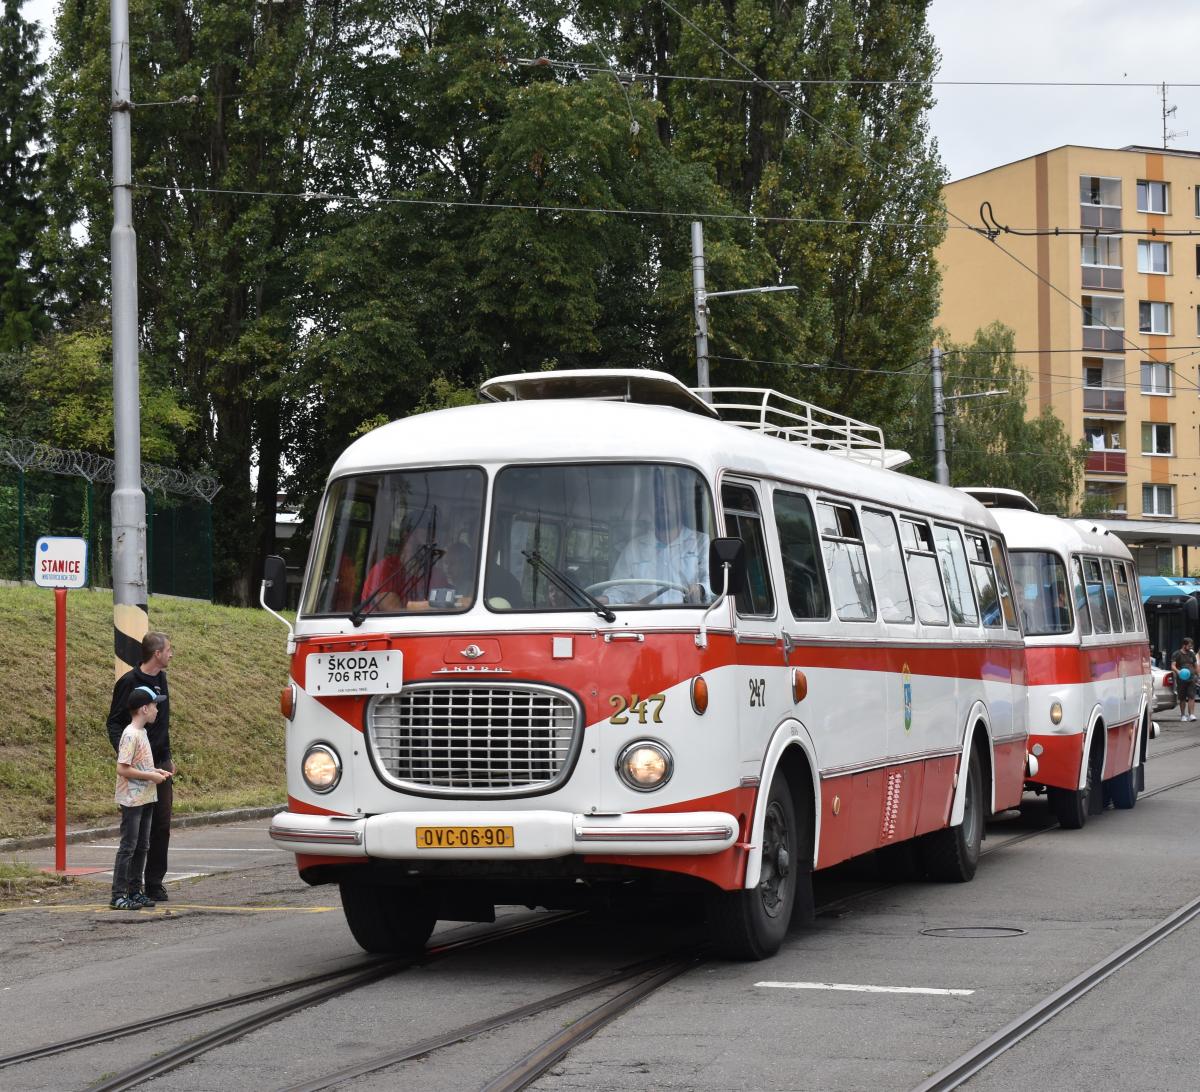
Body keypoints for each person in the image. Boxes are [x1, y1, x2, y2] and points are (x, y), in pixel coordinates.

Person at [107, 632, 175, 902]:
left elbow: (164, 722)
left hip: (159, 763)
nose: (171, 654)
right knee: (133, 836)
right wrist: (127, 753)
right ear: (157, 654)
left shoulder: (161, 679)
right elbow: (114, 722)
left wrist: (167, 755)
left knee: (160, 825)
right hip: (137, 766)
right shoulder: (129, 682)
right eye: (168, 650)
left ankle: (152, 883)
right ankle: (124, 891)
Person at [110, 686, 171, 910]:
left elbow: (140, 764)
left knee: (143, 845)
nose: (157, 710)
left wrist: (156, 771)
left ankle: (135, 891)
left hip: (146, 796)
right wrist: (150, 776)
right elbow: (122, 769)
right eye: (155, 705)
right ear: (144, 708)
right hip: (132, 799)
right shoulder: (130, 735)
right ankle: (118, 893)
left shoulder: (143, 733)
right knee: (129, 846)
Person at [606, 487, 711, 606]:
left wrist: (701, 589)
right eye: (657, 500)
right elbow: (619, 588)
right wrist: (606, 599)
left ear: (680, 503)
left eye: (668, 499)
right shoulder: (635, 548)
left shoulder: (702, 543)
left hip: (690, 619)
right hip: (645, 621)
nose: (662, 504)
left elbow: (716, 584)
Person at [1173, 637, 1198, 722]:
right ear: (1184, 645)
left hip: (1192, 678)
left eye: (1191, 646)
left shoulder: (1192, 654)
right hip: (1181, 679)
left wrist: (1198, 676)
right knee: (1182, 698)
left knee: (1192, 696)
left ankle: (1191, 715)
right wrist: (1178, 672)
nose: (1190, 648)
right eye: (1189, 646)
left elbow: (1196, 665)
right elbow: (1173, 666)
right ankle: (1183, 715)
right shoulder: (1176, 654)